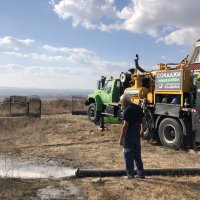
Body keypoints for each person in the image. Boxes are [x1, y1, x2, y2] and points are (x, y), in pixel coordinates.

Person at [119, 93, 147, 179]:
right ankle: (140, 174)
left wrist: (121, 138)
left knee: (128, 155)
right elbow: (144, 122)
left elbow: (125, 126)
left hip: (128, 137)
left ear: (125, 101)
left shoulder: (127, 110)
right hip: (136, 136)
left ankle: (130, 175)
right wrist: (142, 132)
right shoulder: (138, 108)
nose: (121, 104)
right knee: (137, 155)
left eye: (122, 102)